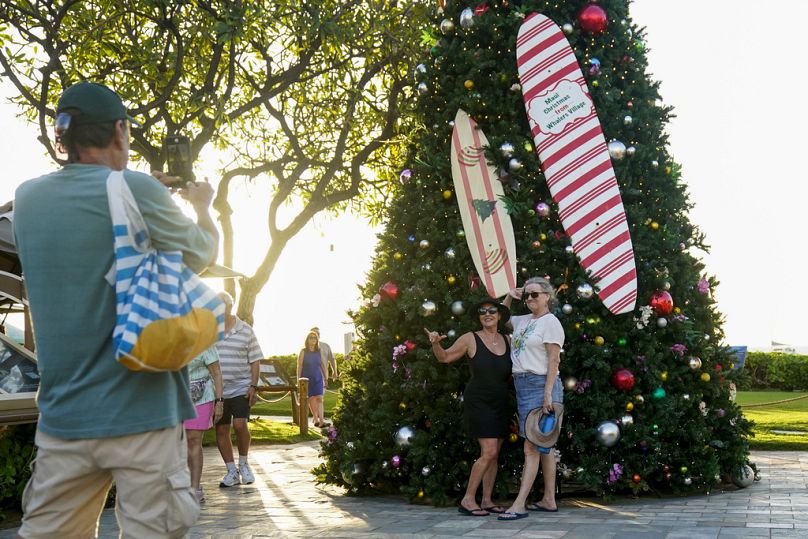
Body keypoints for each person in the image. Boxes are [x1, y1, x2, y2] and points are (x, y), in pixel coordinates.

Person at [13, 81, 218, 537]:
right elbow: (200, 253)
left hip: (64, 420)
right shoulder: (136, 189)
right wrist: (202, 208)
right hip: (141, 415)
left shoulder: (26, 198)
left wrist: (142, 193)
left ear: (63, 137)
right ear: (120, 131)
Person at [424, 297, 512, 517]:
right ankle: (468, 499)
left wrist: (509, 295)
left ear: (500, 315)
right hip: (479, 401)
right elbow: (444, 358)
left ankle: (487, 500)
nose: (488, 314)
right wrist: (436, 343)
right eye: (483, 312)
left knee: (495, 453)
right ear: (478, 317)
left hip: (501, 401)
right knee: (489, 451)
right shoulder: (470, 339)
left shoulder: (508, 339)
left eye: (492, 310)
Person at [497, 277, 565, 520]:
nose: (529, 299)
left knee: (532, 446)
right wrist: (509, 295)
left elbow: (554, 361)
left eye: (534, 294)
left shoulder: (551, 323)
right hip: (523, 387)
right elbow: (501, 318)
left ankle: (519, 504)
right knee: (545, 446)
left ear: (547, 296)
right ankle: (549, 499)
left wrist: (548, 393)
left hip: (542, 386)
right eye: (526, 296)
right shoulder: (523, 320)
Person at [214, 291, 265, 488]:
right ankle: (231, 471)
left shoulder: (245, 330)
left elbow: (255, 360)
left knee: (240, 425)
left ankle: (244, 464)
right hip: (218, 390)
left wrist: (253, 386)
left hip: (241, 387)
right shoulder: (211, 330)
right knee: (222, 429)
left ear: (228, 307)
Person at [184, 346, 225, 503]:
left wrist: (219, 401)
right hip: (177, 397)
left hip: (202, 397)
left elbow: (217, 373)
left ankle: (194, 488)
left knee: (193, 440)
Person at [297, 331, 329, 427]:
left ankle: (322, 421)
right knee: (311, 399)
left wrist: (326, 378)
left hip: (318, 378)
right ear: (307, 339)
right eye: (311, 337)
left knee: (319, 398)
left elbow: (322, 365)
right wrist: (299, 380)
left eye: (315, 338)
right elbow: (299, 366)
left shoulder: (318, 351)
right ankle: (316, 419)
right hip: (306, 379)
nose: (313, 339)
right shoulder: (303, 351)